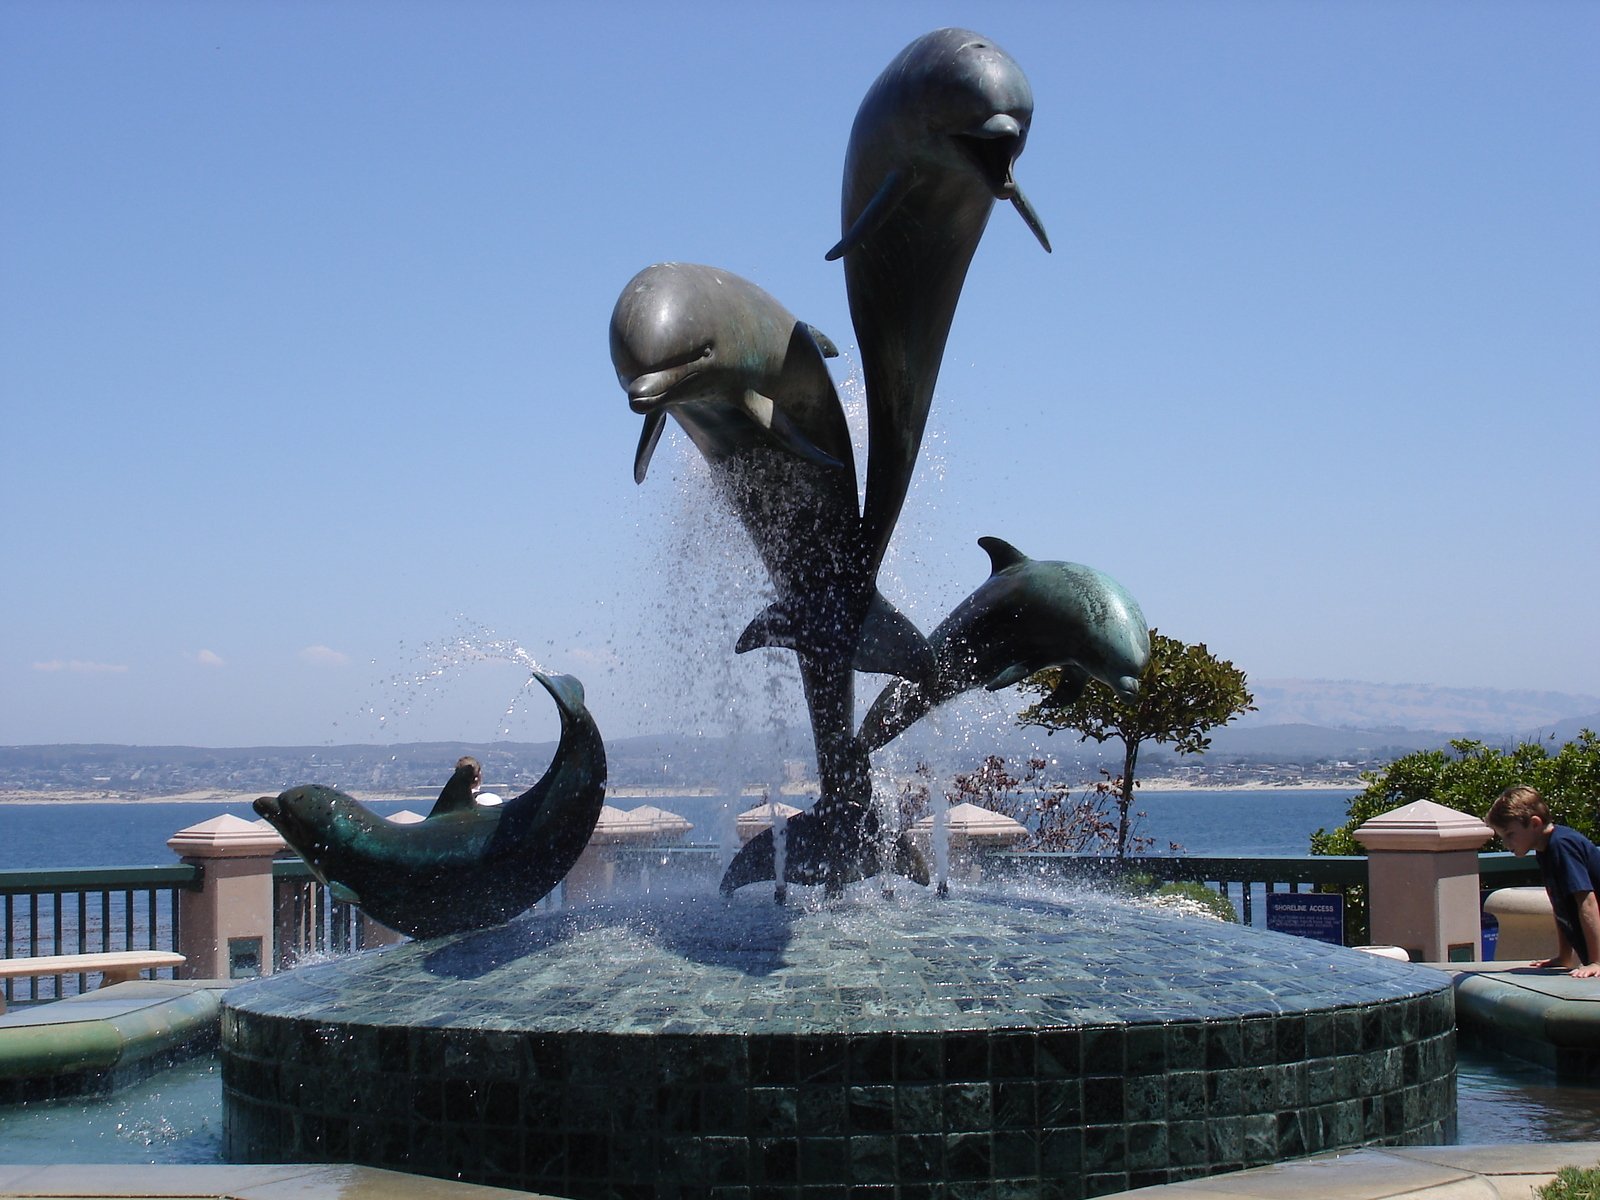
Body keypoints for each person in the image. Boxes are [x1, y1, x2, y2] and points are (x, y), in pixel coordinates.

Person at [1486, 784, 1600, 978]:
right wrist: (1564, 957)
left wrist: (1597, 962)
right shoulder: (1545, 851)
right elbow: (1561, 905)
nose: (1506, 844)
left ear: (1535, 824)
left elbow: (1587, 902)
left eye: (1510, 835)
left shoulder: (1562, 846)